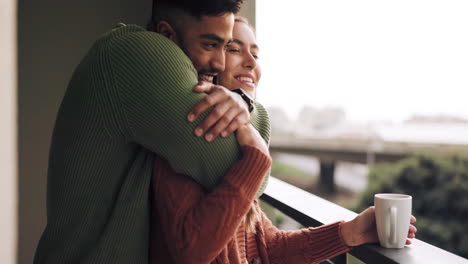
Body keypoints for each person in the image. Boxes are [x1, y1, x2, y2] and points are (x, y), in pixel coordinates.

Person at [149, 17, 418, 264]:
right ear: (213, 61)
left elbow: (268, 246)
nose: (252, 63)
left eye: (255, 54)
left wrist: (350, 232)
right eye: (234, 49)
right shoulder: (188, 141)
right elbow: (192, 251)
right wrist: (257, 158)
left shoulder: (228, 150)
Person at [34, 1, 272, 263]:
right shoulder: (139, 51)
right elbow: (237, 165)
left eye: (226, 47)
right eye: (209, 45)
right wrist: (246, 102)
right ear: (167, 34)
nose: (220, 63)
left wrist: (242, 101)